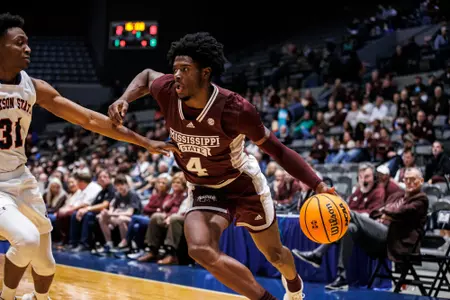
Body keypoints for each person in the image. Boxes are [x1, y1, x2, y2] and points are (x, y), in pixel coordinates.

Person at [108, 32, 335, 300]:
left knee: (275, 255)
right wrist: (125, 98)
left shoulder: (236, 109)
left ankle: (294, 284)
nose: (177, 75)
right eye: (175, 69)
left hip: (242, 184)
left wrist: (318, 184)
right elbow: (146, 76)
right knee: (200, 249)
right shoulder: (167, 91)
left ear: (205, 73)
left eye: (185, 69)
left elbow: (278, 150)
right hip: (204, 187)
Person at [0, 13, 176, 300]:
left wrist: (144, 141)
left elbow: (90, 120)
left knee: (46, 264)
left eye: (28, 43)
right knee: (26, 239)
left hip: (22, 179)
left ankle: (40, 298)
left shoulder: (34, 87)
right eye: (19, 43)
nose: (27, 48)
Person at [294, 168, 428, 290]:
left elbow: (402, 212)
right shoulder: (397, 196)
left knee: (350, 214)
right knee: (347, 228)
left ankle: (318, 252)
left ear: (421, 181)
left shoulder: (421, 199)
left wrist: (387, 213)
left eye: (413, 180)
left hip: (395, 240)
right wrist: (387, 213)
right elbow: (377, 211)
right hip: (380, 234)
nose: (410, 182)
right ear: (403, 181)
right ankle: (342, 276)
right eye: (407, 179)